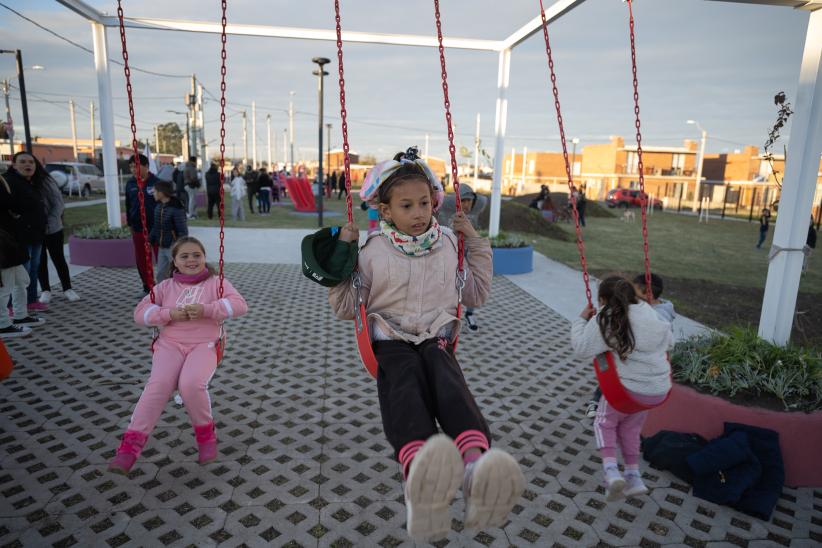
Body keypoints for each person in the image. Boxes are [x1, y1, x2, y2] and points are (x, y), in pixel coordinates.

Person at [329, 147, 524, 542]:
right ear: (385, 211)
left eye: (424, 203)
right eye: (406, 205)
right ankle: (419, 469)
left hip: (436, 335)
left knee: (446, 379)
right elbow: (347, 307)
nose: (419, 212)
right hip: (390, 338)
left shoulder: (448, 244)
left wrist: (477, 245)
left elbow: (475, 295)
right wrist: (341, 259)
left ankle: (474, 464)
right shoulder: (370, 251)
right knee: (404, 384)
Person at [109, 236, 248, 474]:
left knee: (191, 384)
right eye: (185, 256)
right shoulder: (165, 287)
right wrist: (168, 314)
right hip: (170, 345)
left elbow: (240, 305)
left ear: (204, 258)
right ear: (174, 262)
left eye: (197, 255)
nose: (192, 259)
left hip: (204, 343)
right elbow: (140, 313)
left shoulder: (216, 282)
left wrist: (207, 309)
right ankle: (129, 448)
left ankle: (206, 437)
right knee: (158, 385)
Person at [571, 276, 672, 501]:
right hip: (657, 391)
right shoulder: (649, 312)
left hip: (627, 390)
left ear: (604, 299)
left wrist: (581, 321)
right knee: (630, 429)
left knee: (603, 422)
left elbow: (581, 349)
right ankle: (633, 476)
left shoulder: (607, 317)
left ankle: (610, 472)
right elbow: (670, 342)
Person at [584, 272, 675, 419]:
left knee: (610, 358)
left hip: (640, 368)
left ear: (647, 294)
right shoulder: (651, 308)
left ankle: (599, 401)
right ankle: (599, 399)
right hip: (643, 368)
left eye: (634, 294)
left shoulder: (655, 315)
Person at [436, 184, 489, 332]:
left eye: (469, 200)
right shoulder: (447, 209)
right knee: (449, 286)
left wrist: (473, 195)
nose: (466, 204)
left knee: (473, 284)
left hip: (469, 254)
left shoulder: (476, 208)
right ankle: (447, 315)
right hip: (451, 253)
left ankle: (469, 314)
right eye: (463, 200)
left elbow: (484, 200)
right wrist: (454, 199)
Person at [3, 152, 49, 311]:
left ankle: (30, 300)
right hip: (19, 237)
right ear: (14, 165)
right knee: (21, 273)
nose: (28, 165)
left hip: (36, 234)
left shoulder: (31, 183)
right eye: (23, 162)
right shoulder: (9, 183)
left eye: (31, 162)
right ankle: (12, 306)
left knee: (34, 269)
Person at [1, 173, 43, 337]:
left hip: (12, 240)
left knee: (21, 280)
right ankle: (3, 324)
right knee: (5, 286)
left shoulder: (5, 181)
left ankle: (20, 315)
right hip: (3, 243)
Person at [37, 163, 81, 304]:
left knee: (58, 258)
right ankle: (45, 290)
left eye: (30, 162)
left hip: (53, 228)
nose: (27, 166)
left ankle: (67, 288)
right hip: (33, 230)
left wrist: (49, 223)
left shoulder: (46, 181)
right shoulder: (22, 182)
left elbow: (58, 204)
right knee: (40, 260)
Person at [124, 154, 158, 294]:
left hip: (156, 229)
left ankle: (166, 288)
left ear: (146, 166)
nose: (133, 169)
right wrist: (130, 223)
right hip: (138, 228)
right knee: (142, 260)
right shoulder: (130, 184)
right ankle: (148, 287)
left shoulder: (156, 182)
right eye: (131, 166)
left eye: (136, 166)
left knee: (162, 259)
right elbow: (128, 205)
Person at [149, 181, 188, 282]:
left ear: (161, 193)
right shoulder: (158, 207)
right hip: (162, 246)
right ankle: (163, 295)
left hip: (173, 247)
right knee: (161, 274)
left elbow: (182, 231)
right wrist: (150, 239)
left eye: (155, 191)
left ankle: (183, 293)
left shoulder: (176, 208)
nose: (153, 193)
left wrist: (179, 247)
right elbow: (156, 226)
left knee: (179, 272)